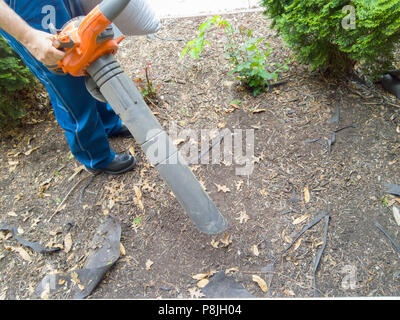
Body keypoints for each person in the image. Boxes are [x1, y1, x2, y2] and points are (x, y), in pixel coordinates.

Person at [0, 0, 137, 175]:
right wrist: (29, 37)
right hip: (24, 8)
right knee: (66, 81)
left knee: (88, 52)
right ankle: (95, 156)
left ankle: (109, 123)